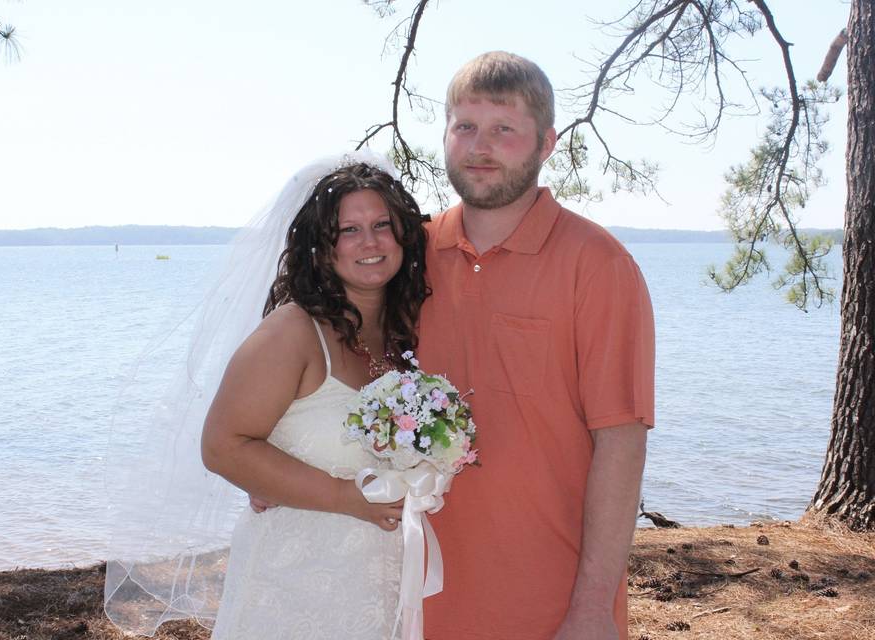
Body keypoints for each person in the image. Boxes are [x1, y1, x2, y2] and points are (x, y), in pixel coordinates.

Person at [103, 151, 430, 639]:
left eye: (383, 224)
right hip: (292, 585)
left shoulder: (406, 332)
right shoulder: (292, 332)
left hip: (381, 583)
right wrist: (344, 496)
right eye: (349, 230)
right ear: (322, 246)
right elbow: (222, 445)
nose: (370, 241)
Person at [416, 51, 655, 640]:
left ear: (546, 143)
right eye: (465, 127)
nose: (480, 146)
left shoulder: (598, 265)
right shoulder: (409, 256)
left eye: (505, 129)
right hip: (414, 589)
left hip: (547, 599)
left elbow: (620, 443)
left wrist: (594, 607)